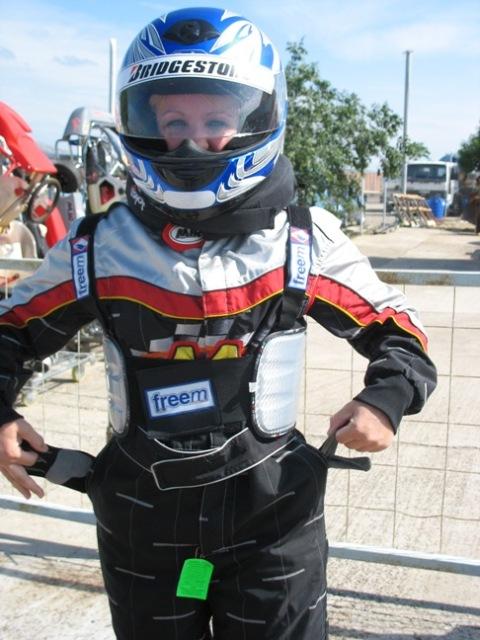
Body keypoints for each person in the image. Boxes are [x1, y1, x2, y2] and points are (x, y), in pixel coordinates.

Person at [0, 8, 437, 639]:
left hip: (274, 523)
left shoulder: (302, 241)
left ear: (256, 118)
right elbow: (8, 333)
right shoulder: (98, 246)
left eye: (215, 122)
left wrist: (384, 401)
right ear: (139, 122)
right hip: (141, 523)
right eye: (172, 122)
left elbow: (402, 335)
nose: (191, 144)